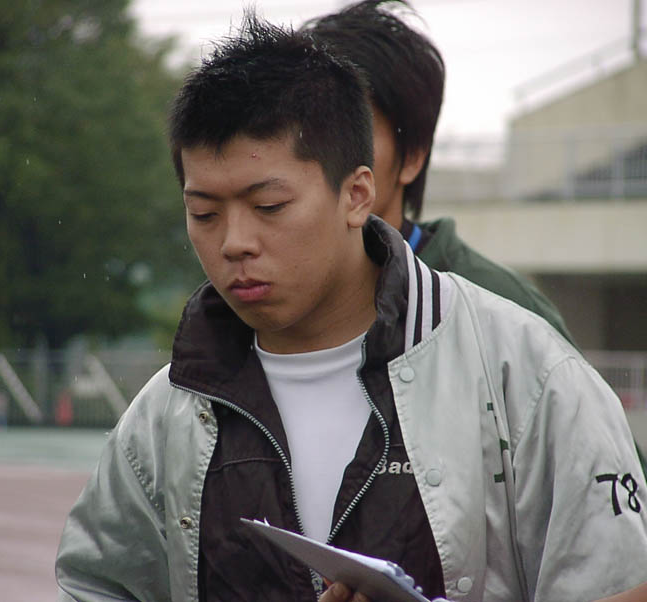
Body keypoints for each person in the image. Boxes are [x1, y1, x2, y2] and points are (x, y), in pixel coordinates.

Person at [55, 12, 647, 602]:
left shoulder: (525, 374)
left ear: (357, 194)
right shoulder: (168, 412)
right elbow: (94, 586)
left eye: (269, 206)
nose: (234, 241)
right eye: (204, 213)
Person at [302, 0, 647, 476]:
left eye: (351, 132)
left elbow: (616, 482)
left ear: (412, 157)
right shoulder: (250, 288)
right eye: (308, 133)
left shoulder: (503, 307)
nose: (322, 157)